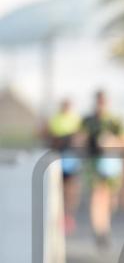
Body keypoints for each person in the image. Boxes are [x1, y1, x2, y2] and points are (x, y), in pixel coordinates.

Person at [81, 90, 124, 249]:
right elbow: (80, 139)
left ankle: (104, 225)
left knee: (110, 200)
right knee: (97, 196)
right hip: (94, 163)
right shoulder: (88, 121)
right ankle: (100, 231)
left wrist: (113, 142)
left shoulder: (115, 121)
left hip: (112, 165)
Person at [45, 98, 82, 234]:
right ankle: (58, 218)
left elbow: (80, 138)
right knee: (58, 190)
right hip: (58, 161)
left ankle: (69, 217)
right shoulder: (55, 119)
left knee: (71, 192)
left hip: (72, 161)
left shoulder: (75, 119)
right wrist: (60, 140)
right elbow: (50, 137)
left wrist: (73, 139)